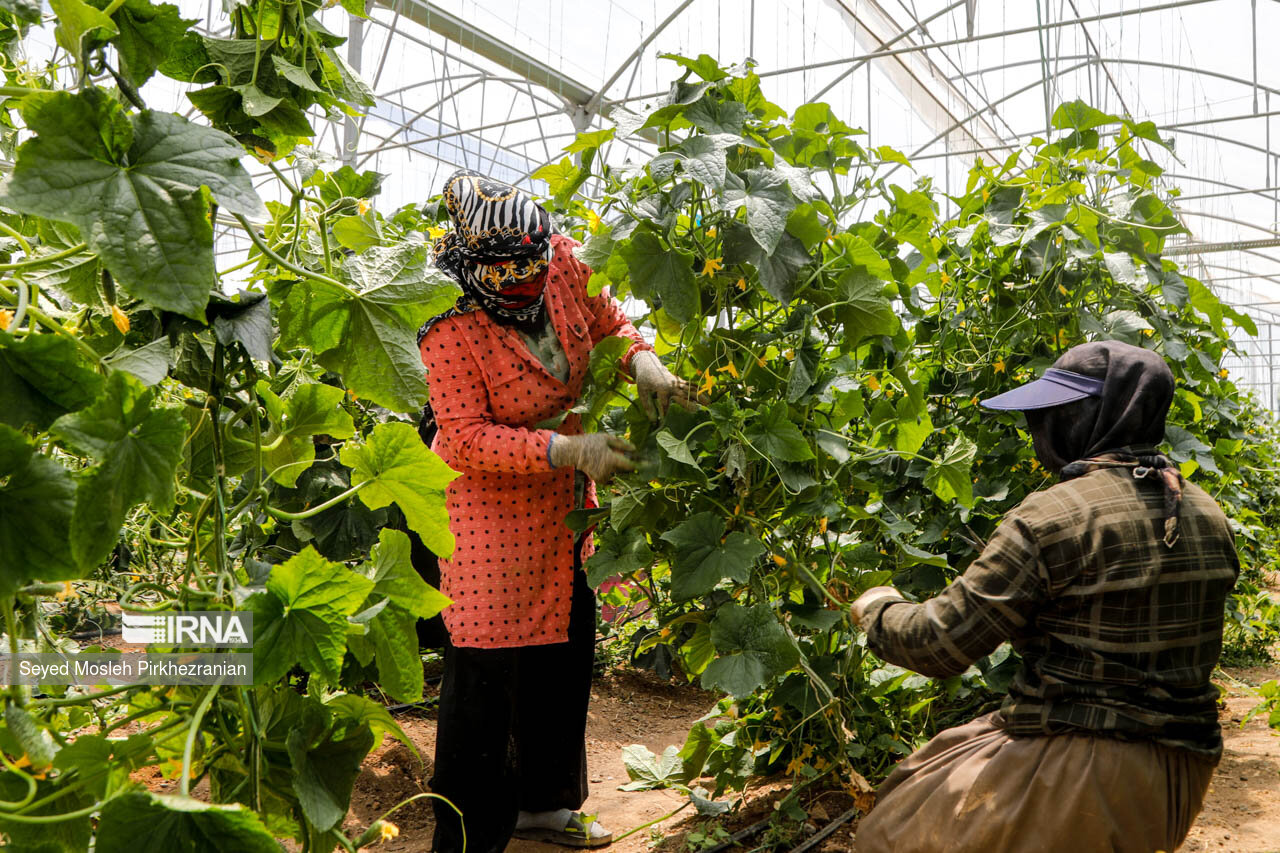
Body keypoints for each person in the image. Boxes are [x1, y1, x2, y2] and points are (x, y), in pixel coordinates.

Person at [850, 341, 1239, 853]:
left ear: (1088, 418)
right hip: (1179, 772)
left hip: (1081, 774)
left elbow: (937, 644)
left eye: (1054, 414)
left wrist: (877, 608)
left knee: (895, 832)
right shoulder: (1205, 512)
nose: (1041, 431)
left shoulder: (1052, 516)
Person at [418, 170, 697, 853]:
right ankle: (467, 835)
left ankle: (546, 806)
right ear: (475, 267)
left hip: (564, 501)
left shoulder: (562, 259)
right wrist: (565, 449)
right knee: (485, 672)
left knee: (563, 649)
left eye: (536, 267)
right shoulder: (445, 322)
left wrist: (644, 359)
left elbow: (608, 321)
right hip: (485, 505)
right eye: (511, 275)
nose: (529, 283)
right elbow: (464, 437)